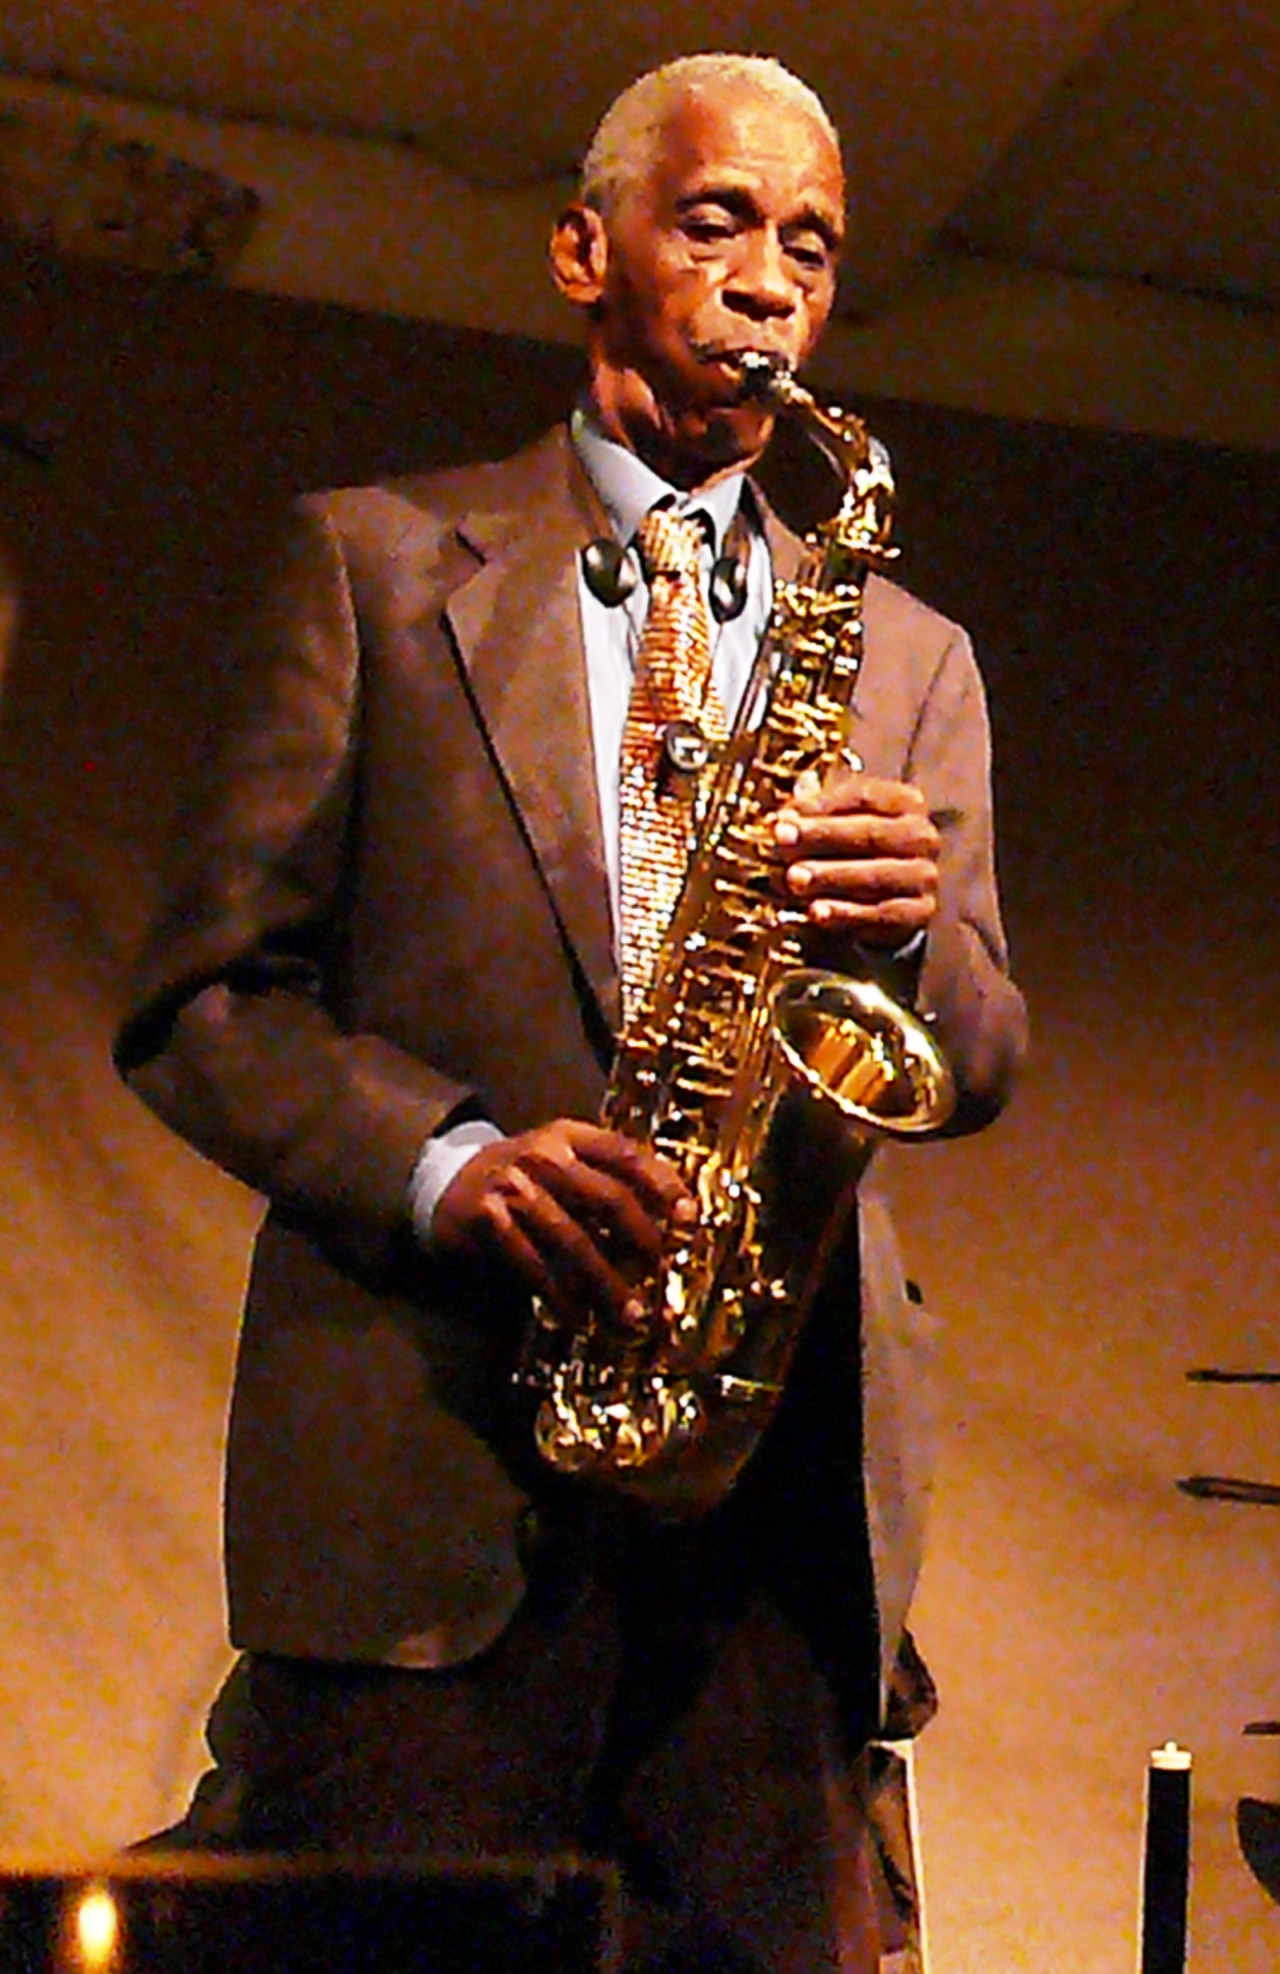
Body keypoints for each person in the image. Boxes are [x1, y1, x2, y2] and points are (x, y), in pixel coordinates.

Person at [114, 52, 1024, 1973]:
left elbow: (981, 1051)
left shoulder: (915, 656)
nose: (772, 281)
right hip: (428, 1513)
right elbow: (203, 998)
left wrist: (916, 938)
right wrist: (450, 1167)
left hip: (770, 1532)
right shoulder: (365, 562)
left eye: (814, 247)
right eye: (718, 222)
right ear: (581, 249)